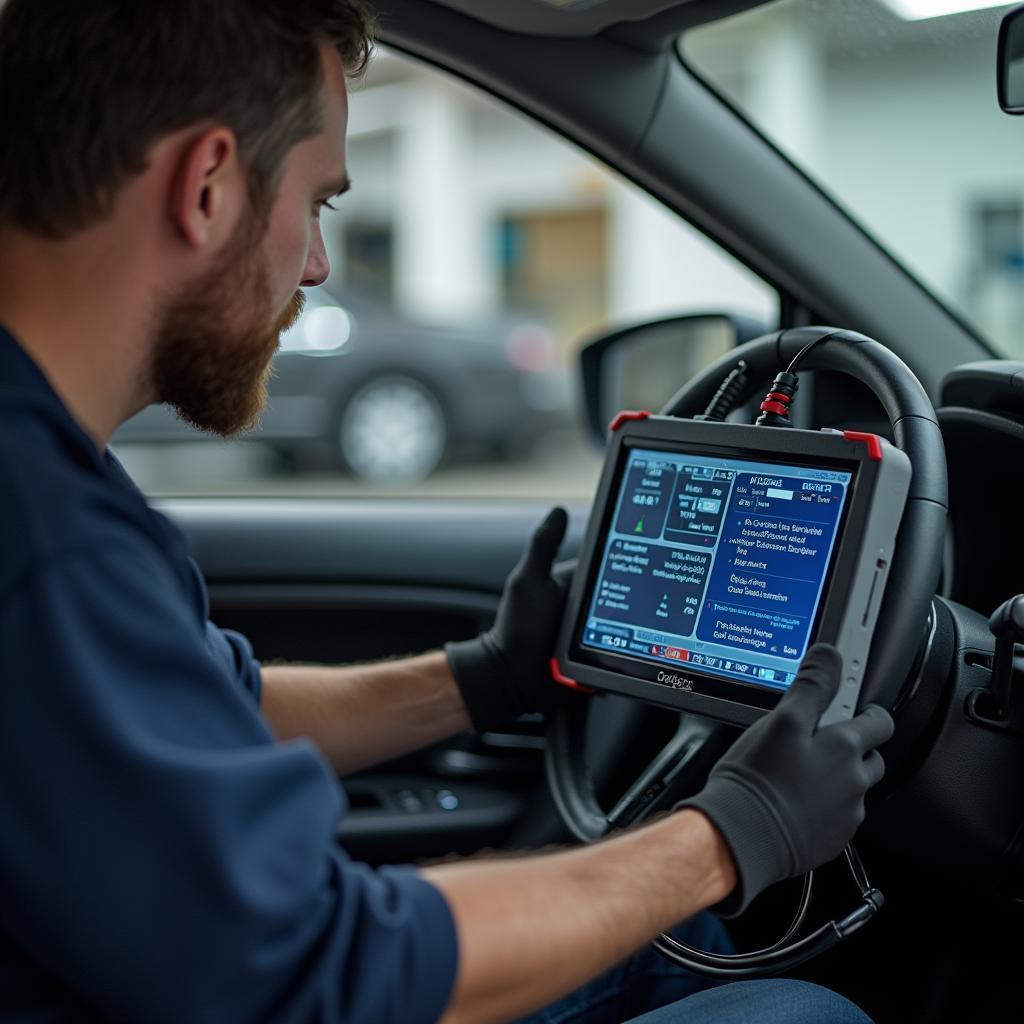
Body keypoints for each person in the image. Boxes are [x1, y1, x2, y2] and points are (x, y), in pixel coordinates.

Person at [0, 2, 893, 1021]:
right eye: (319, 203)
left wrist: (478, 679)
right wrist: (731, 834)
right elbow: (324, 972)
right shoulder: (47, 538)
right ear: (206, 184)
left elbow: (215, 714)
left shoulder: (60, 473)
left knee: (676, 941)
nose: (314, 268)